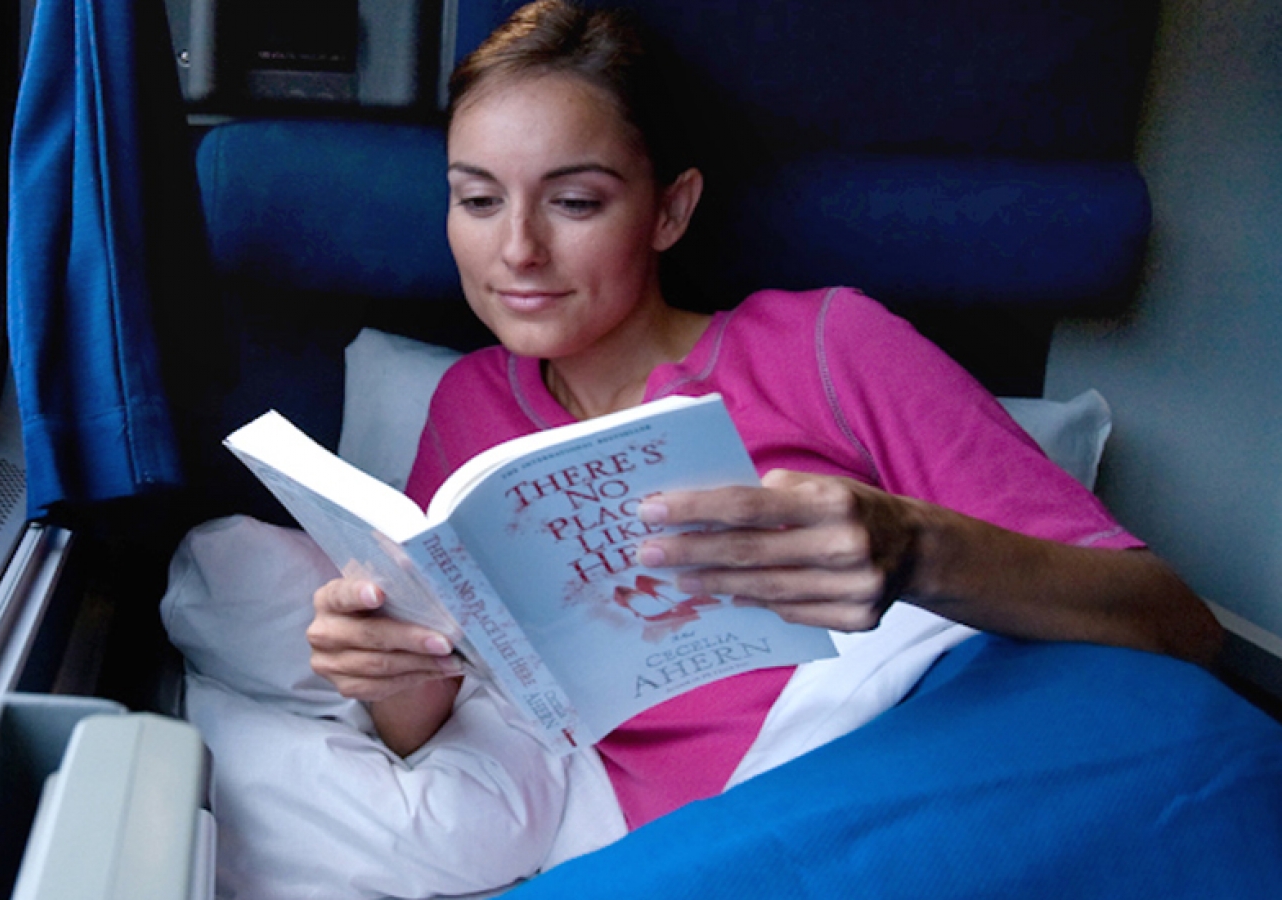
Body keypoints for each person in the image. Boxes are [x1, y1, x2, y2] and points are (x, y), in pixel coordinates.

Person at [305, 0, 1224, 831]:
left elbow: (1180, 627)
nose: (517, 250)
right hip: (680, 839)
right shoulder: (469, 407)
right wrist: (384, 664)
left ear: (670, 211)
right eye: (477, 200)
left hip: (911, 769)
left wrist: (914, 549)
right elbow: (428, 723)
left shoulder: (828, 347)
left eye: (575, 202)